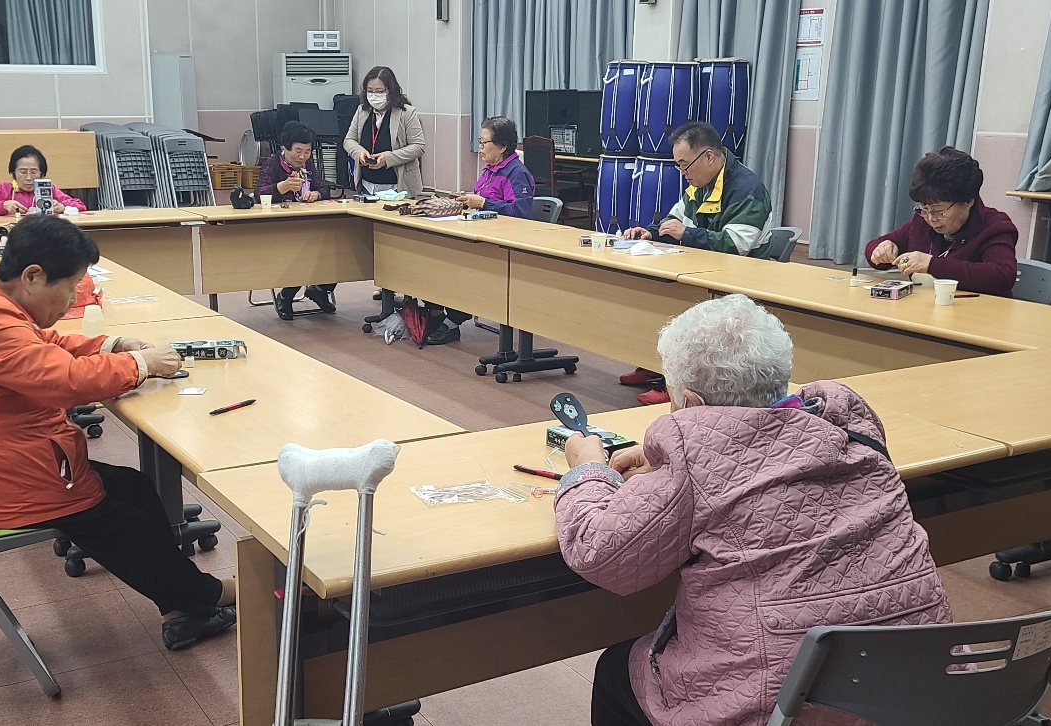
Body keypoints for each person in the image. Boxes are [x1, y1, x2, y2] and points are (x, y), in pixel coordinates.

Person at [554, 294, 950, 726]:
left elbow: (599, 555)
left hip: (787, 706)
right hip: (921, 691)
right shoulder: (851, 429)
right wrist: (670, 466)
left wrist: (588, 469)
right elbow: (756, 457)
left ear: (691, 403)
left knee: (616, 671)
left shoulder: (692, 461)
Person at [0, 214, 236, 651]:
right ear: (33, 276)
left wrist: (114, 345)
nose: (72, 299)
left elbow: (41, 346)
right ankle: (208, 595)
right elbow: (66, 380)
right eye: (70, 288)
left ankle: (183, 609)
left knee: (135, 487)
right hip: (6, 485)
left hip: (1, 462)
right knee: (128, 526)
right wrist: (141, 364)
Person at [618, 122, 772, 405]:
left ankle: (676, 383)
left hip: (742, 276)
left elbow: (736, 245)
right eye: (679, 166)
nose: (683, 173)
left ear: (709, 156)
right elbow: (675, 220)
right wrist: (651, 232)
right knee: (655, 291)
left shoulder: (747, 189)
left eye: (684, 165)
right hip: (705, 268)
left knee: (679, 301)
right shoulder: (699, 184)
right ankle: (653, 363)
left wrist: (686, 234)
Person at [423, 116, 535, 346]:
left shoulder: (516, 173)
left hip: (499, 245)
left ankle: (451, 322)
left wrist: (483, 203)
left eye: (484, 142)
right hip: (478, 235)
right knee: (433, 256)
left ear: (502, 146)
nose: (480, 147)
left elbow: (520, 213)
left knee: (464, 269)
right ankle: (435, 312)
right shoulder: (489, 170)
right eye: (480, 141)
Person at [864, 147, 1019, 297]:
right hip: (925, 308)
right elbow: (876, 249)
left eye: (938, 211)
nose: (931, 218)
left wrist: (931, 264)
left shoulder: (995, 226)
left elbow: (1002, 276)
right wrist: (881, 250)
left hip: (978, 310)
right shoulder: (921, 221)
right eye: (924, 209)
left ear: (968, 201)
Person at [257, 121, 335, 320]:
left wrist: (316, 194)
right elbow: (258, 194)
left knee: (335, 248)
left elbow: (324, 189)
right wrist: (281, 187)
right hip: (280, 226)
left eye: (307, 152)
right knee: (303, 253)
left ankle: (320, 289)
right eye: (298, 151)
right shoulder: (273, 164)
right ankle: (286, 295)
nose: (302, 157)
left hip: (309, 223)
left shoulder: (308, 165)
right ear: (285, 148)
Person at [341, 66, 426, 197]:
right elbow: (349, 140)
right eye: (370, 91)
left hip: (397, 187)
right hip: (366, 185)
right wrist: (359, 153)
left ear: (390, 91)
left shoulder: (407, 113)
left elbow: (418, 146)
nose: (374, 96)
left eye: (379, 91)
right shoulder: (362, 111)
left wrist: (387, 158)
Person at [0, 144, 88, 216]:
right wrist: (3, 205)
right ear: (13, 173)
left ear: (41, 173)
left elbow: (80, 206)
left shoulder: (48, 189)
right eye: (23, 172)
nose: (28, 178)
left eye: (34, 172)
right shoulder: (3, 188)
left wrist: (63, 207)